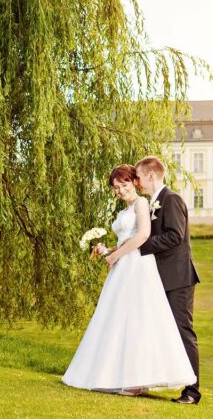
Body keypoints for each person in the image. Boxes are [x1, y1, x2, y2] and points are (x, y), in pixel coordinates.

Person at [61, 164, 197, 396]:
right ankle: (118, 375)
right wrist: (110, 249)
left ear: (135, 181)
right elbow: (131, 238)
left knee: (147, 322)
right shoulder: (129, 208)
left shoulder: (148, 202)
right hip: (127, 266)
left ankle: (187, 389)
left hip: (143, 267)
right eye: (116, 187)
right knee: (118, 319)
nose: (121, 190)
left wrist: (117, 255)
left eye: (125, 184)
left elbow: (144, 235)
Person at [133, 155, 202, 404]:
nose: (137, 182)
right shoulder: (154, 202)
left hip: (178, 278)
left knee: (183, 332)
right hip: (160, 279)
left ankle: (192, 392)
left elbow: (175, 236)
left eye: (139, 177)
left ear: (151, 175)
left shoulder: (171, 200)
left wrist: (140, 245)